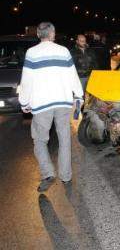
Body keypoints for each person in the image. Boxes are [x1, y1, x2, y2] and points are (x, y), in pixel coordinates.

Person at [18, 22, 83, 192]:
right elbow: (73, 76)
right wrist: (78, 96)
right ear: (53, 34)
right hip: (63, 102)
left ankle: (48, 174)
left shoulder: (32, 53)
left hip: (41, 104)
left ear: (39, 35)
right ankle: (66, 176)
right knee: (64, 139)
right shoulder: (64, 51)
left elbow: (26, 81)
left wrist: (24, 103)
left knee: (40, 140)